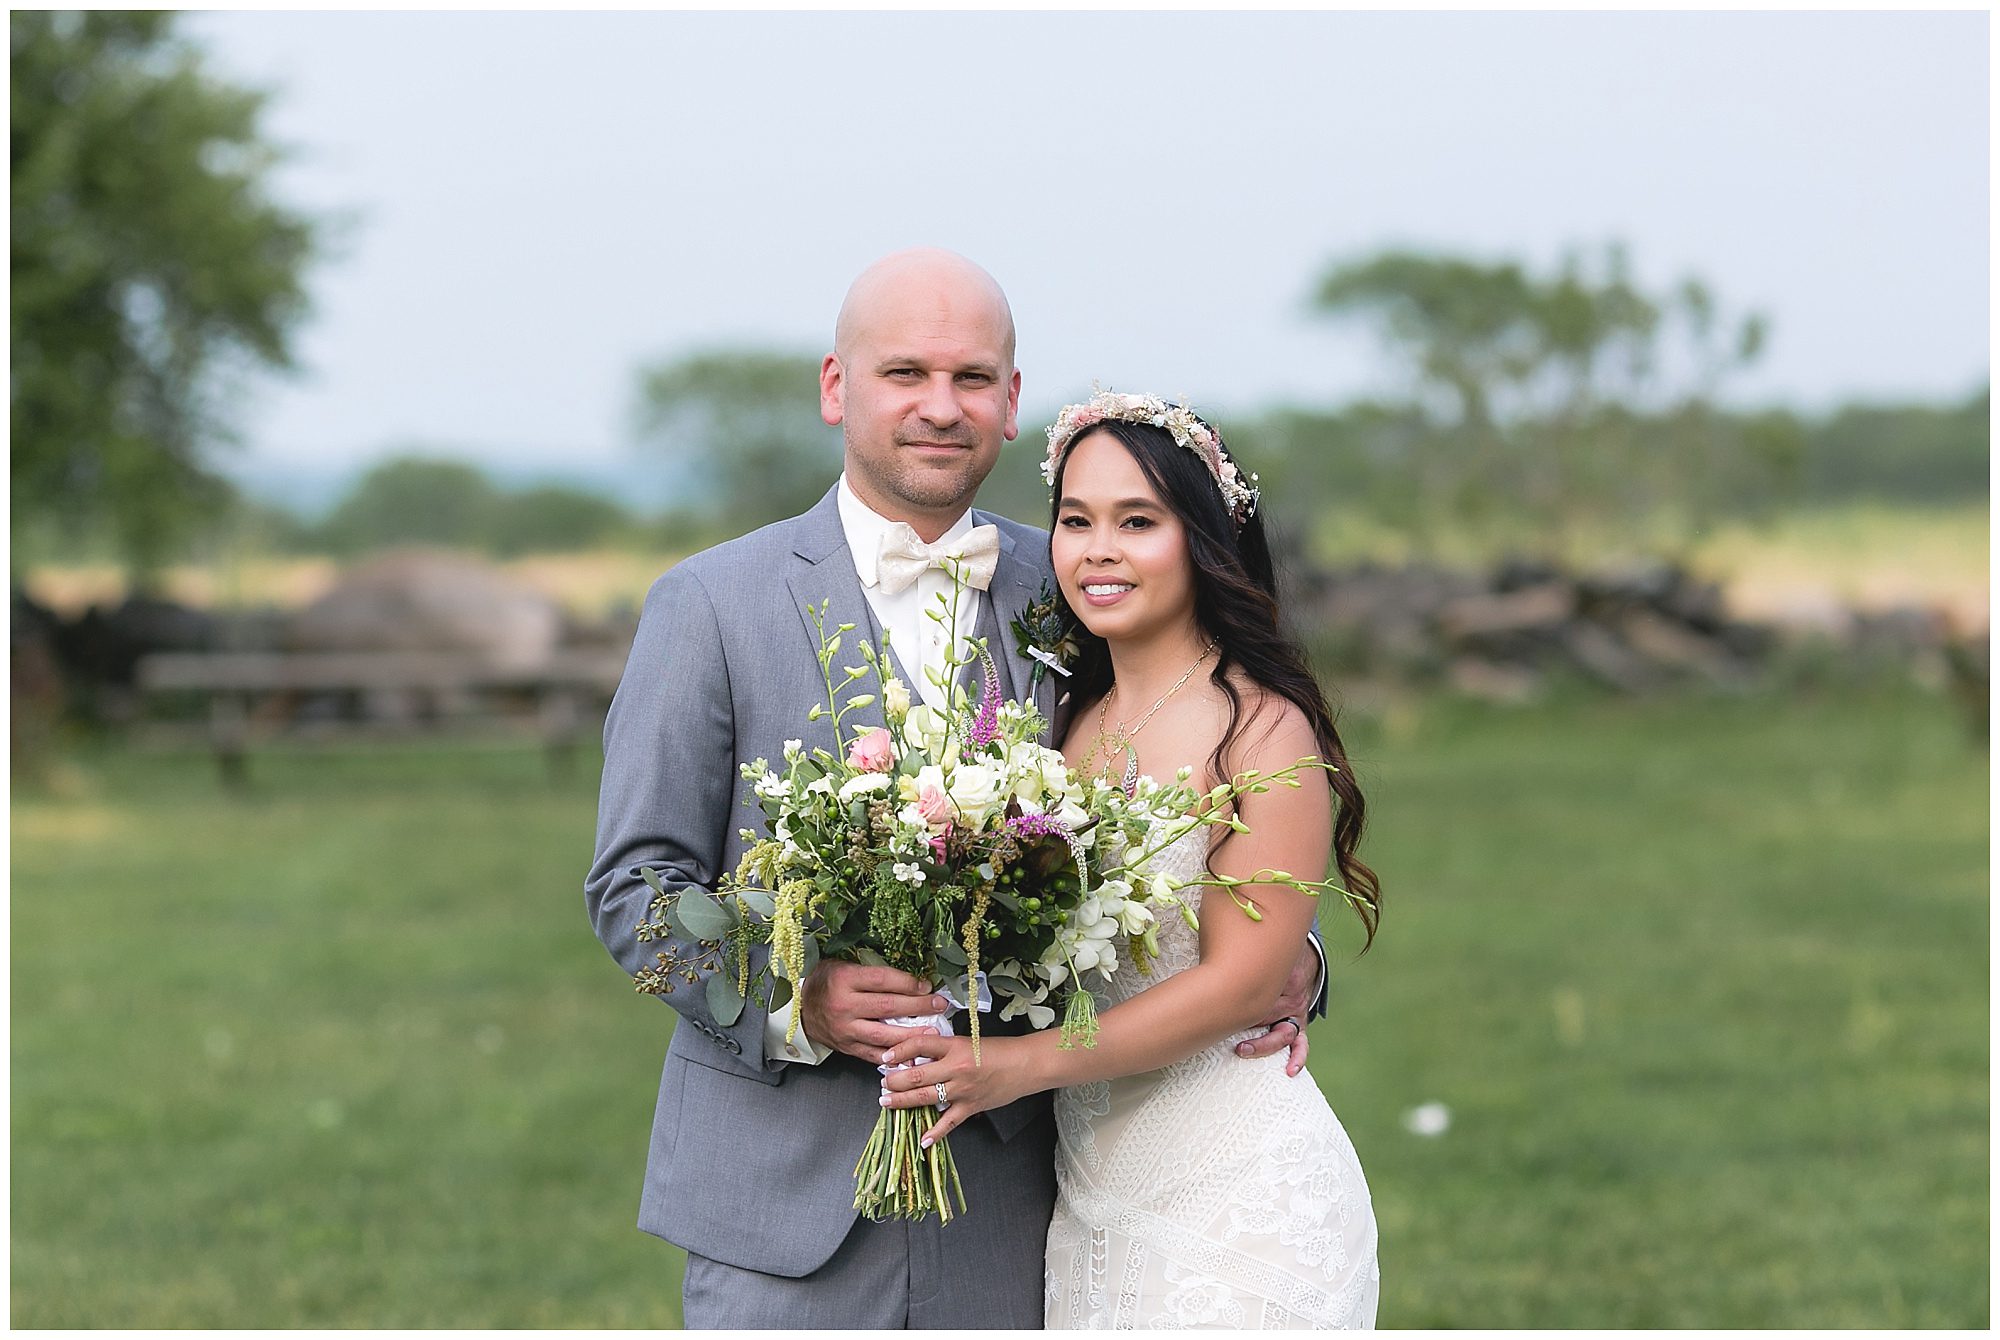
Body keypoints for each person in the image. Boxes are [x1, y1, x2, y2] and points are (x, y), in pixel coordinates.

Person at [586, 250, 1327, 1329]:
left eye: (973, 377)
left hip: (1021, 1210)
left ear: (1012, 400)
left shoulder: (1081, 580)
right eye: (906, 373)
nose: (942, 407)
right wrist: (798, 996)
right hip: (779, 1218)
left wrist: (1277, 962)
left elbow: (1197, 779)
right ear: (837, 386)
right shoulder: (707, 605)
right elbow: (633, 887)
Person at [879, 390, 1383, 1328]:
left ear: (1202, 539)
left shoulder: (1262, 728)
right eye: (1076, 520)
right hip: (1091, 1208)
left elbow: (1239, 986)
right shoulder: (1062, 722)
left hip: (1237, 1201)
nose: (1098, 549)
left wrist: (1017, 1064)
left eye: (1137, 521)